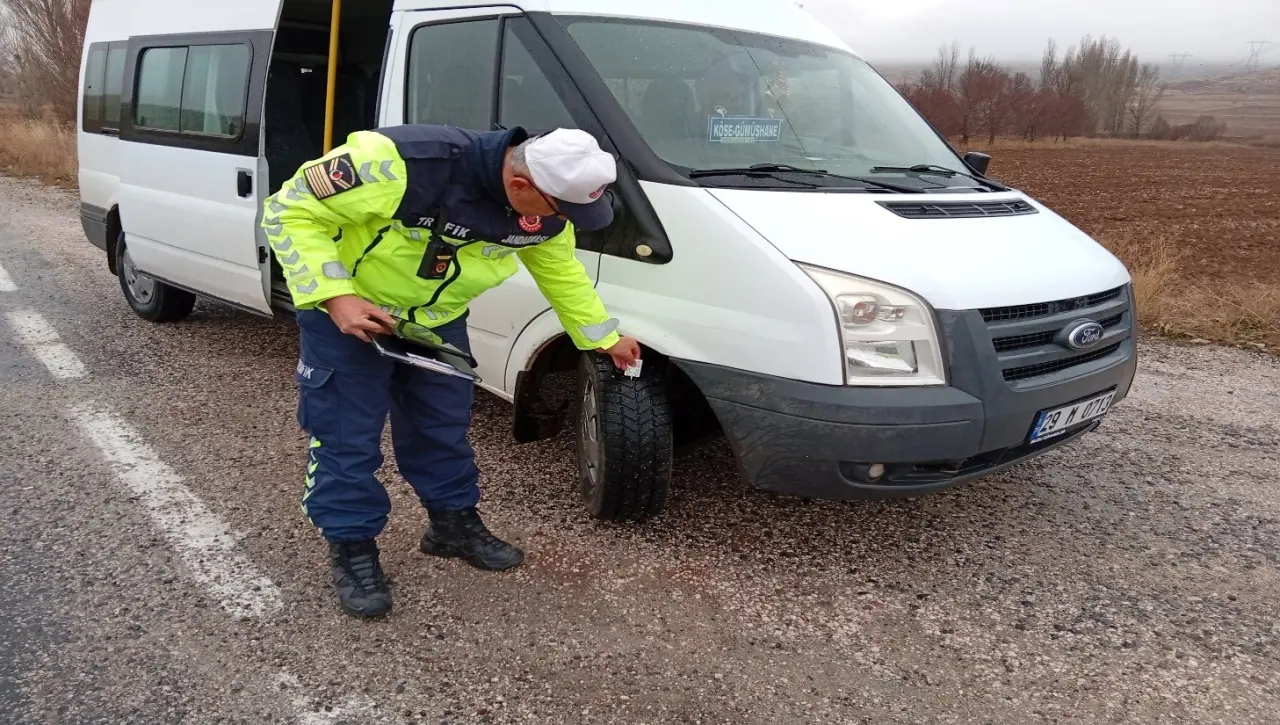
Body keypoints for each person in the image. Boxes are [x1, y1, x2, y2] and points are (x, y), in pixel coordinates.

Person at [261, 124, 641, 619]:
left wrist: (603, 338)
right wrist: (336, 297)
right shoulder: (400, 163)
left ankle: (451, 524)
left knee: (442, 427)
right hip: (353, 316)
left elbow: (561, 273)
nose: (565, 221)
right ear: (520, 184)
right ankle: (352, 546)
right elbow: (288, 210)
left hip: (436, 322)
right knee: (345, 436)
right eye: (562, 210)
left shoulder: (545, 211)